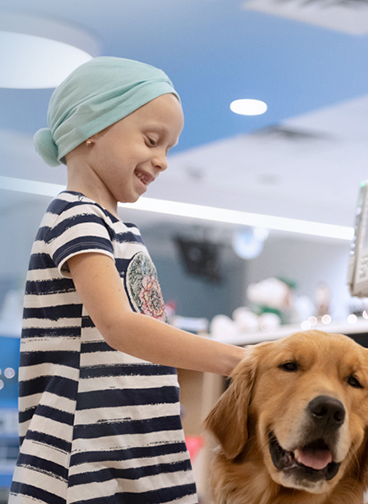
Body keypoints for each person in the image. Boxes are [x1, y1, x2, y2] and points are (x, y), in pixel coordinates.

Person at [10, 57, 246, 504]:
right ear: (91, 128)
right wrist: (239, 361)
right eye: (152, 140)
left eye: (169, 149)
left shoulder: (120, 229)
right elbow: (118, 325)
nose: (162, 161)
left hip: (135, 441)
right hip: (84, 454)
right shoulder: (76, 215)